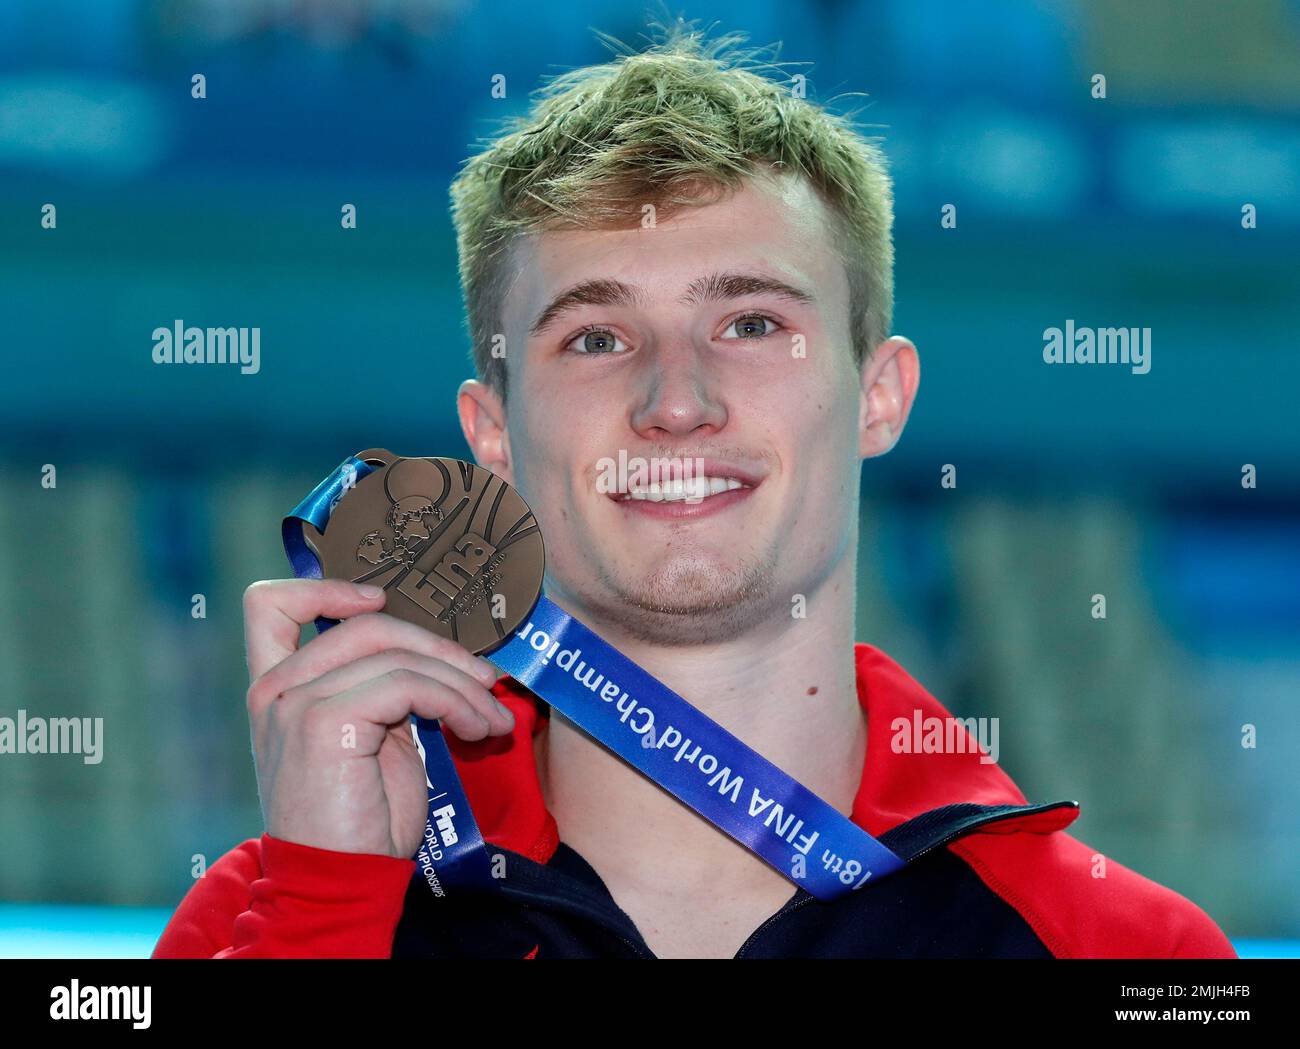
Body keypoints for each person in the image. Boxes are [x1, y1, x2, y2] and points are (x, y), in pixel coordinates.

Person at [153, 25, 1235, 959]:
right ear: (493, 432)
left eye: (752, 323)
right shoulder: (271, 912)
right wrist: (330, 902)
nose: (676, 400)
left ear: (878, 395)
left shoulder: (1123, 948)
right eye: (596, 335)